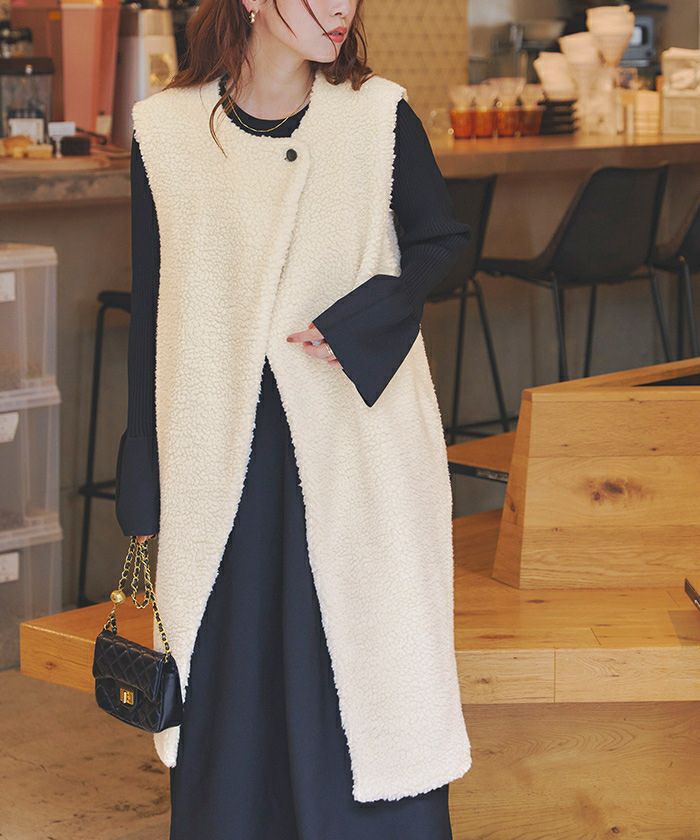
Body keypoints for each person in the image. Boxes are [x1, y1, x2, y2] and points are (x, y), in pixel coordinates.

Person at [115, 0, 473, 836]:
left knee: (362, 672)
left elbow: (443, 242)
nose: (340, 7)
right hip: (220, 461)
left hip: (353, 447)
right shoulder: (166, 131)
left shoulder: (375, 113)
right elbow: (151, 306)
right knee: (231, 671)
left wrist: (368, 316)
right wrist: (143, 481)